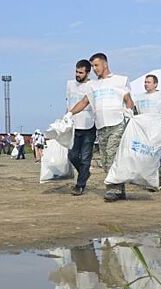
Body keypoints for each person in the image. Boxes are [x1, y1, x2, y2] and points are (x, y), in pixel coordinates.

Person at [64, 53, 134, 202]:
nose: (95, 69)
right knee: (106, 158)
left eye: (96, 65)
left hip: (117, 124)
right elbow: (84, 102)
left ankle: (112, 189)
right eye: (93, 66)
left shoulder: (120, 81)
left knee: (111, 155)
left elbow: (129, 100)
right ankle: (120, 189)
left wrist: (129, 111)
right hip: (101, 127)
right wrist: (69, 114)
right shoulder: (93, 85)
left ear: (105, 64)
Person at [66, 60, 97, 195]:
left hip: (88, 125)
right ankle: (85, 174)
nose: (77, 74)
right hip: (73, 125)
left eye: (81, 72)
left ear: (87, 73)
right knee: (72, 155)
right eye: (76, 71)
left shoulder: (93, 86)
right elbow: (68, 102)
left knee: (85, 157)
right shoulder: (70, 84)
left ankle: (80, 185)